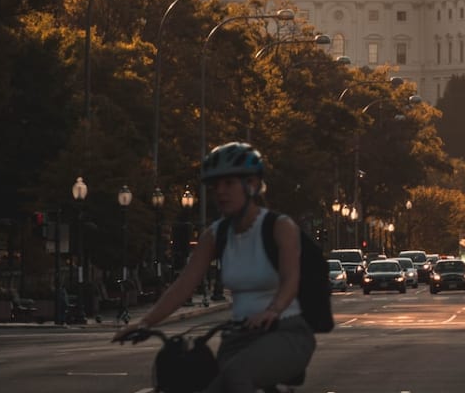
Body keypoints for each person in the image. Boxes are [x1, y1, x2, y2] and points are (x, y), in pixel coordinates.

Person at [113, 142, 316, 393]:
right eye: (215, 186)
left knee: (237, 375)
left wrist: (272, 311)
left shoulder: (279, 227)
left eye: (229, 183)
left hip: (286, 333)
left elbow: (291, 279)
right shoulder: (216, 234)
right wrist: (145, 323)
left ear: (251, 185)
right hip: (239, 337)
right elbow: (184, 285)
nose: (220, 192)